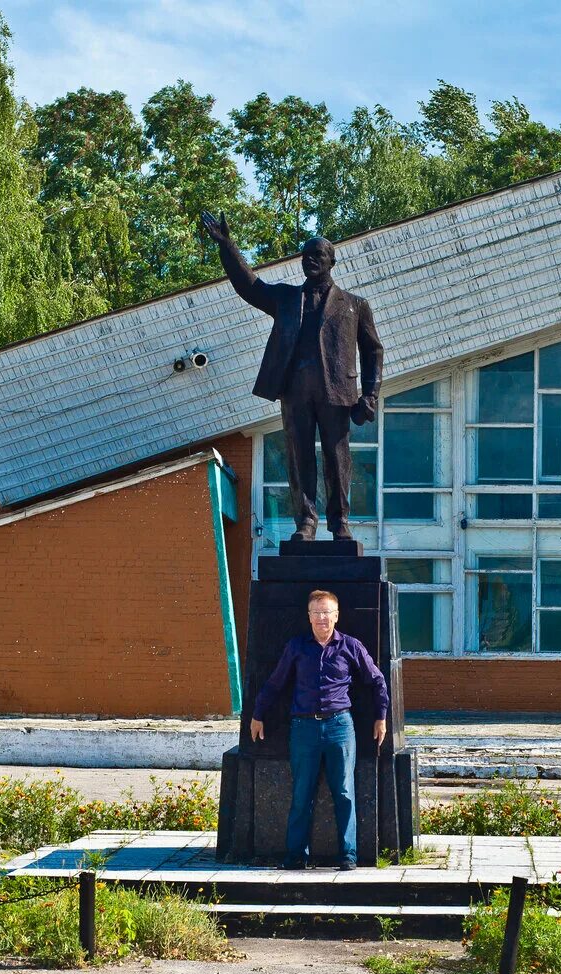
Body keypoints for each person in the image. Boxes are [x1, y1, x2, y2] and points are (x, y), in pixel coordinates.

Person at [200, 210, 384, 541]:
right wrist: (227, 246)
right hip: (296, 391)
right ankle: (306, 522)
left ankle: (340, 522)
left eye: (318, 256)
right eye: (306, 255)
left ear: (331, 262)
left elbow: (373, 351)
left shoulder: (355, 305)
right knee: (300, 456)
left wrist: (370, 394)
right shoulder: (287, 298)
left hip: (336, 392)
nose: (310, 261)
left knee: (336, 457)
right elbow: (250, 286)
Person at [251, 590, 389, 869]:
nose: (322, 618)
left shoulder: (351, 646)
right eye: (317, 613)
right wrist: (257, 714)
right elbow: (275, 683)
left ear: (336, 616)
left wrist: (381, 717)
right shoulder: (297, 647)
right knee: (302, 793)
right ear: (309, 616)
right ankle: (296, 855)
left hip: (340, 726)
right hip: (303, 729)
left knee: (344, 791)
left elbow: (376, 681)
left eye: (327, 612)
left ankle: (349, 854)